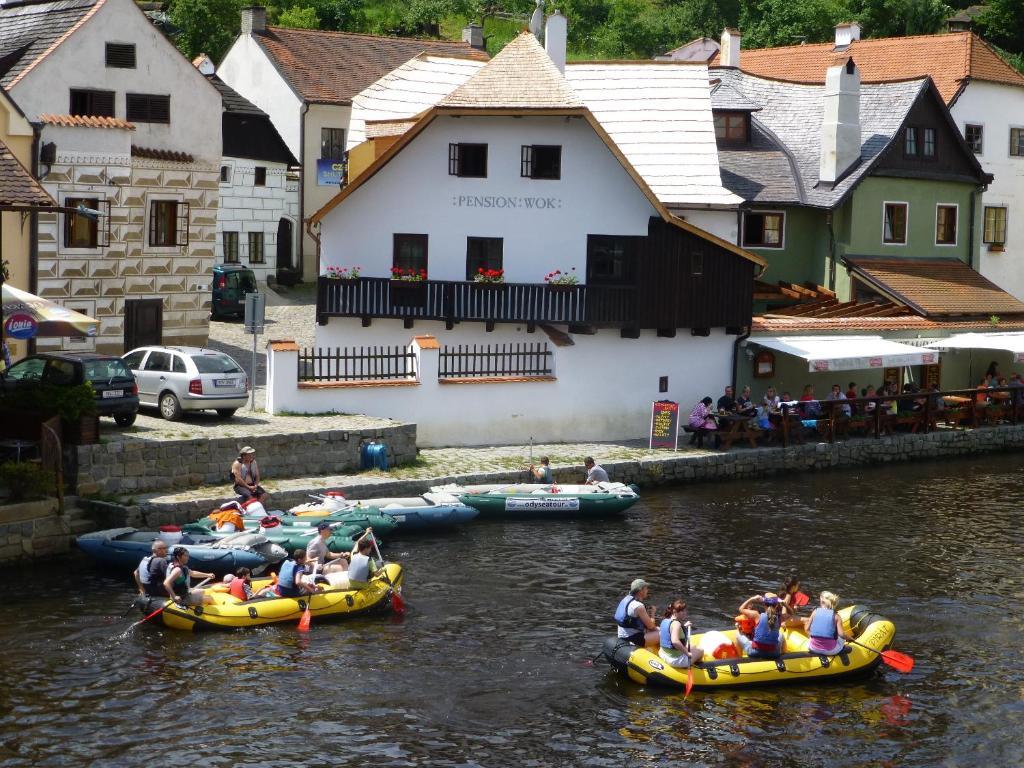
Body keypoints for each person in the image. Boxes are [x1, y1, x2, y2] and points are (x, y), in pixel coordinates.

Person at [737, 592, 787, 658]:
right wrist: (785, 605)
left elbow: (741, 609)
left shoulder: (756, 615)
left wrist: (752, 599)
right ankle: (785, 657)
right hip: (774, 654)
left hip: (755, 652)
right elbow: (791, 612)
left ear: (764, 604)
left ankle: (738, 659)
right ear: (776, 605)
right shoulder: (779, 617)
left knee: (738, 635)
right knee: (781, 635)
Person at [803, 591, 852, 655]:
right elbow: (841, 634)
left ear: (822, 602)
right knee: (840, 638)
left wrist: (813, 637)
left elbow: (806, 629)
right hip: (830, 650)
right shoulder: (836, 616)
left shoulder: (815, 612)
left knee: (809, 628)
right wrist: (850, 638)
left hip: (813, 648)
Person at [658, 599, 704, 669]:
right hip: (675, 660)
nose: (685, 613)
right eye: (682, 611)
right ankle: (696, 667)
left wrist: (684, 626)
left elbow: (669, 632)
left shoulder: (665, 620)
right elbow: (675, 641)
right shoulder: (676, 624)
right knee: (700, 650)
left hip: (663, 654)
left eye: (685, 610)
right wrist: (687, 653)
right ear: (674, 612)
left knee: (694, 647)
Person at [614, 578, 658, 647]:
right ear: (641, 591)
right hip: (632, 639)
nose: (647, 590)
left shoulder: (626, 599)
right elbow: (651, 627)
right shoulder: (639, 606)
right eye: (646, 589)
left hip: (622, 635)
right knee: (666, 633)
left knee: (659, 629)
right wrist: (652, 613)